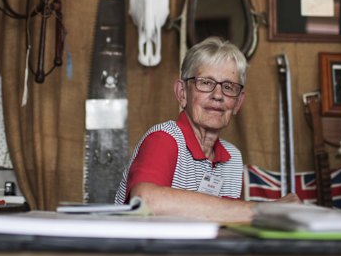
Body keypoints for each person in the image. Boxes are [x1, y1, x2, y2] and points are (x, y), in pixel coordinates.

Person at [115, 37, 299, 223]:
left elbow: (229, 220)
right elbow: (146, 202)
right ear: (182, 93)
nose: (218, 95)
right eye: (205, 83)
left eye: (228, 87)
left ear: (238, 102)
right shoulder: (164, 138)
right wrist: (266, 210)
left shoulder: (233, 159)